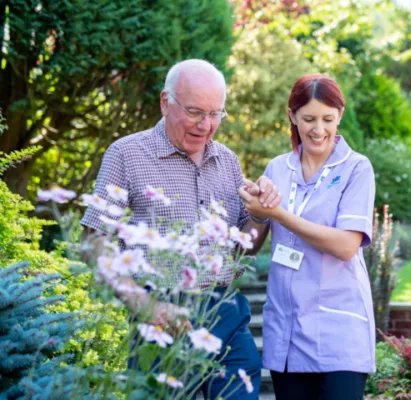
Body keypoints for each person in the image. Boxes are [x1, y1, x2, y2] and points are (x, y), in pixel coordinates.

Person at [81, 59, 279, 400]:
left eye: (216, 114)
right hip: (161, 316)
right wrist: (144, 305)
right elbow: (93, 240)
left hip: (224, 311)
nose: (206, 125)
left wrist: (260, 216)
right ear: (164, 102)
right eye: (195, 112)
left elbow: (241, 250)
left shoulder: (228, 161)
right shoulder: (127, 154)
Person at [239, 73, 376, 400]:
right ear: (292, 116)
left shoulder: (356, 168)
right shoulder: (276, 169)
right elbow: (250, 244)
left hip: (339, 333)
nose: (319, 129)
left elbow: (346, 246)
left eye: (328, 119)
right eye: (309, 118)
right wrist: (257, 211)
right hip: (287, 331)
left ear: (339, 115)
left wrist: (280, 214)